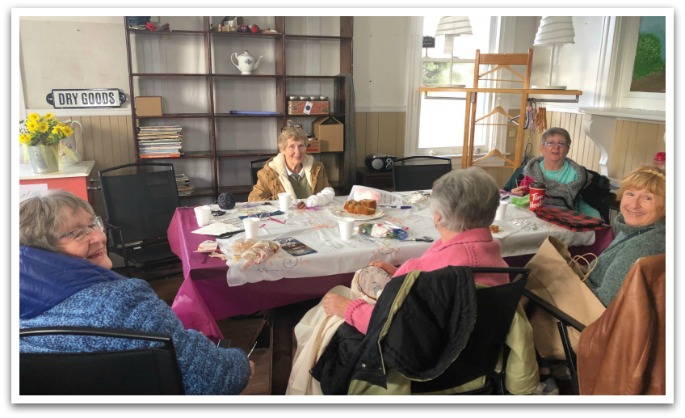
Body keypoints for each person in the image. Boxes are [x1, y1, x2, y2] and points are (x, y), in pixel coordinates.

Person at [19, 190, 253, 395]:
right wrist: (241, 363)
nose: (99, 237)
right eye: (77, 233)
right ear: (42, 251)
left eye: (93, 224)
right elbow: (213, 381)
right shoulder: (124, 303)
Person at [322, 166, 510, 334]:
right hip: (472, 350)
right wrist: (402, 276)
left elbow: (392, 326)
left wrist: (348, 308)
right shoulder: (497, 263)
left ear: (438, 216)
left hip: (420, 358)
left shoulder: (434, 275)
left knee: (322, 317)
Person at [585, 166, 666, 306]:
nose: (634, 205)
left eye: (647, 198)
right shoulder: (638, 230)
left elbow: (602, 304)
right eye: (630, 194)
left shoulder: (642, 246)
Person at [511, 127, 601, 218]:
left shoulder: (578, 174)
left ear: (567, 149)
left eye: (561, 144)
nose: (556, 147)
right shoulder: (528, 170)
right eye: (550, 143)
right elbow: (506, 196)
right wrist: (513, 194)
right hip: (530, 216)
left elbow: (589, 203)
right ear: (542, 148)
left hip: (565, 217)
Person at [248, 122, 335, 208]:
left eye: (301, 146)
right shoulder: (269, 173)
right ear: (282, 150)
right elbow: (253, 199)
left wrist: (313, 201)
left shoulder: (317, 168)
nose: (297, 152)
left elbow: (328, 192)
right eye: (292, 147)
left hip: (314, 218)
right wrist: (279, 205)